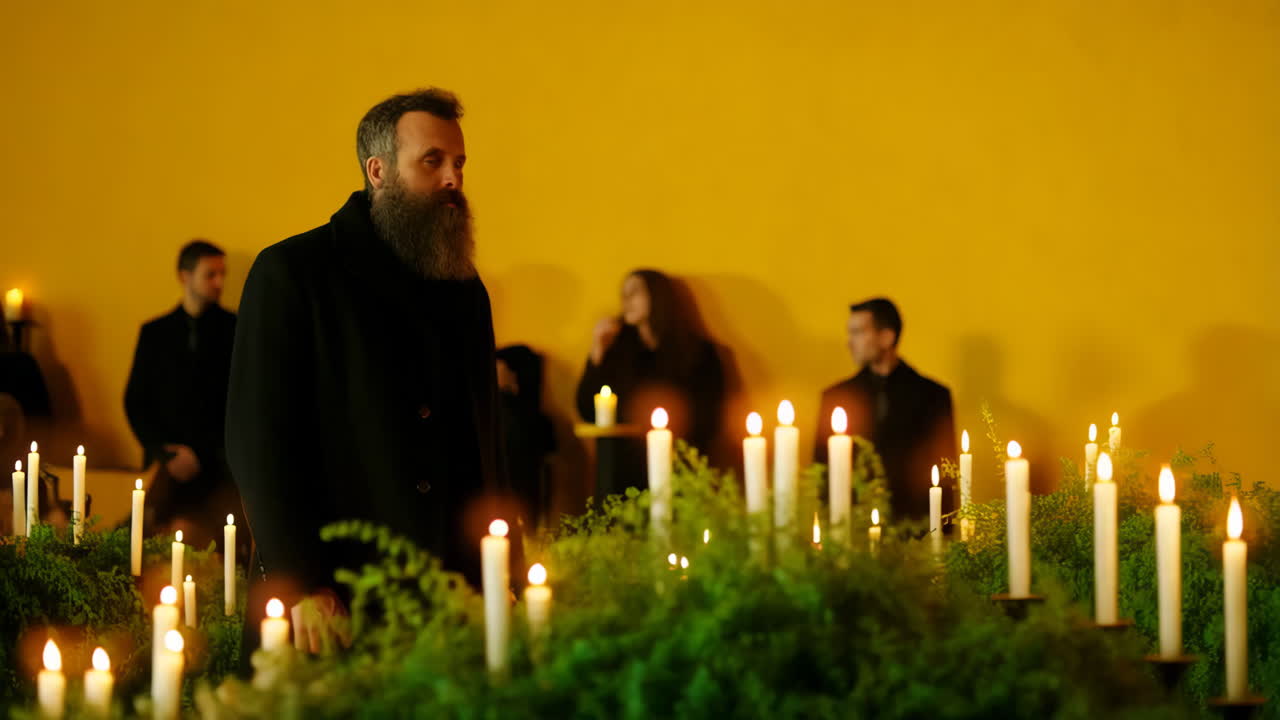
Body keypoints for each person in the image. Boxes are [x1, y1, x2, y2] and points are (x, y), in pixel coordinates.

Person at [226, 88, 507, 655]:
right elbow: (258, 439)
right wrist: (302, 579)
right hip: (334, 594)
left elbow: (484, 445)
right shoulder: (293, 272)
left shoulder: (464, 288)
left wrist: (500, 576)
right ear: (377, 171)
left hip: (447, 595)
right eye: (433, 161)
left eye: (459, 163)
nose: (454, 177)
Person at [124, 240, 240, 550]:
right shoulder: (155, 333)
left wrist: (201, 453)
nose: (219, 283)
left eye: (222, 274)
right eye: (210, 274)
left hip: (219, 464)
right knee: (140, 534)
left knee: (217, 536)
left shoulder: (236, 329)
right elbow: (135, 401)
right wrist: (165, 452)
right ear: (185, 276)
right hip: (169, 463)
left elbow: (239, 404)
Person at [575, 270, 724, 494]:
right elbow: (588, 408)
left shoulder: (697, 352)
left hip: (679, 467)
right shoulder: (619, 350)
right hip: (623, 473)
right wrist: (598, 350)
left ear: (658, 296)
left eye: (634, 292)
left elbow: (709, 416)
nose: (626, 300)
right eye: (623, 294)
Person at [813, 298, 955, 523]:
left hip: (914, 531)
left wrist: (942, 535)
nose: (850, 342)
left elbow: (945, 474)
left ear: (886, 337)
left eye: (858, 332)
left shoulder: (932, 396)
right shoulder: (836, 398)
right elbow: (821, 473)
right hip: (851, 528)